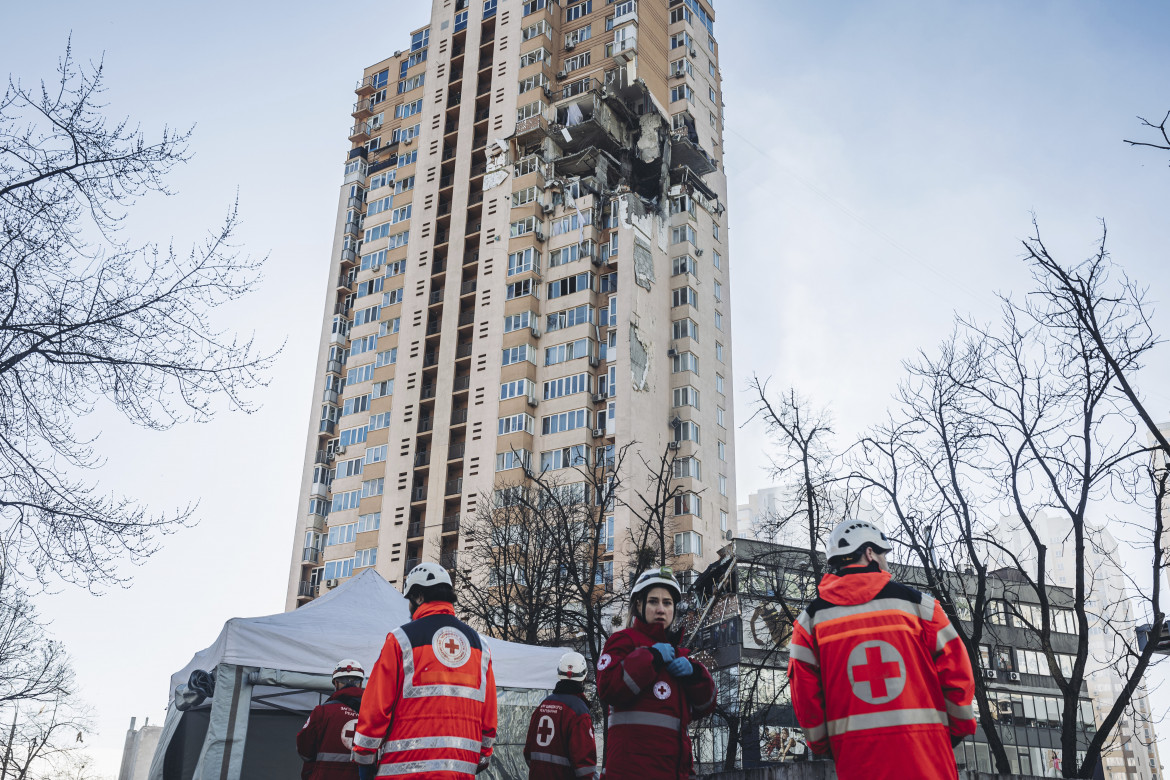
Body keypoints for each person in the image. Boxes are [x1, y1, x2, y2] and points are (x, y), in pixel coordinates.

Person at [788, 520, 977, 780]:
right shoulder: (921, 607)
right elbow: (958, 675)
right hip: (928, 759)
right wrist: (953, 732)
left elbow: (806, 701)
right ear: (869, 553)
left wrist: (827, 746)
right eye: (883, 555)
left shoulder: (809, 624)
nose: (887, 564)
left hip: (858, 764)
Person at [352, 562, 498, 777]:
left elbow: (376, 706)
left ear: (419, 597)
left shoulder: (401, 639)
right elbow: (489, 713)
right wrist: (483, 754)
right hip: (460, 770)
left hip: (405, 770)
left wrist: (364, 757)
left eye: (409, 601)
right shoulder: (480, 646)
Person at [597, 567, 716, 780]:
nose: (661, 609)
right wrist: (650, 657)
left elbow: (705, 707)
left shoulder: (680, 654)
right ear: (639, 605)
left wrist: (695, 674)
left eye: (667, 603)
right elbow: (607, 689)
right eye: (653, 601)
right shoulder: (623, 642)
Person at [523, 651, 598, 780]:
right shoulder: (579, 712)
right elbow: (585, 768)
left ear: (559, 674)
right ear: (584, 677)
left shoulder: (543, 705)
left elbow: (528, 753)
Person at [296, 659, 366, 780]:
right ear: (360, 683)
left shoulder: (322, 711)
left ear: (336, 683)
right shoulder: (375, 713)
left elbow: (304, 750)